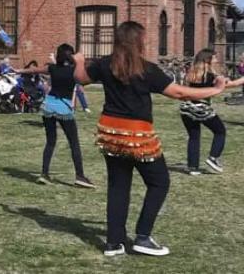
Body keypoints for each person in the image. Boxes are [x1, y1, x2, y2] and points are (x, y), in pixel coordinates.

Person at [74, 21, 226, 257]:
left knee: (118, 186)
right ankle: (143, 237)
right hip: (137, 134)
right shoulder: (146, 69)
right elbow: (180, 93)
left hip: (111, 132)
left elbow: (81, 78)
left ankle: (114, 243)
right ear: (139, 42)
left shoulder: (105, 65)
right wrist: (215, 90)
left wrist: (79, 61)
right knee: (159, 182)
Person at [17, 44, 95, 188]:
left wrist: (17, 70)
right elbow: (86, 80)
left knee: (51, 141)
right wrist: (80, 62)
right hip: (64, 108)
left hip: (48, 106)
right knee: (74, 143)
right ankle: (80, 176)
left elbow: (34, 70)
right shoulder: (74, 71)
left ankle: (44, 174)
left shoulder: (52, 68)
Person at [179, 49, 244, 175]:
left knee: (194, 136)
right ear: (207, 59)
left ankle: (193, 168)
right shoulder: (211, 75)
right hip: (201, 108)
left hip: (186, 108)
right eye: (214, 58)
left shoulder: (190, 73)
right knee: (220, 131)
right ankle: (213, 158)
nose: (216, 60)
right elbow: (230, 84)